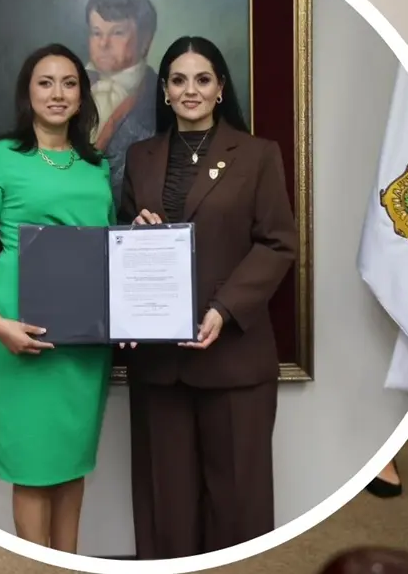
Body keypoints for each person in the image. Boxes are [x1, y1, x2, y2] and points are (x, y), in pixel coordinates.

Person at [118, 35, 297, 559]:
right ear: (165, 91)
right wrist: (136, 229)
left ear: (220, 88)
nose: (190, 90)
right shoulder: (140, 157)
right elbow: (124, 244)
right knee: (165, 505)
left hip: (234, 358)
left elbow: (278, 243)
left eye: (202, 79)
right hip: (157, 363)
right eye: (178, 80)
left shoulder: (258, 154)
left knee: (238, 503)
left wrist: (224, 308)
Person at [0, 43, 114, 552]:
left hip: (86, 338)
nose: (57, 93)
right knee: (34, 465)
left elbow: (107, 247)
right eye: (45, 82)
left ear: (82, 96)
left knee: (71, 460)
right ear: (28, 93)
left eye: (68, 83)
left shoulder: (97, 165)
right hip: (22, 328)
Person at [83, 0, 160, 201]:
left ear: (145, 40)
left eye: (117, 33)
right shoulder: (69, 88)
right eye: (96, 33)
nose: (103, 44)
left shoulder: (163, 96)